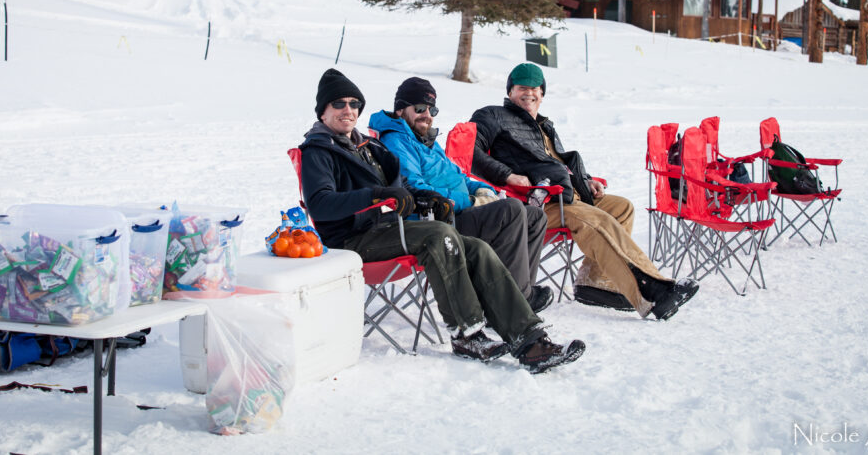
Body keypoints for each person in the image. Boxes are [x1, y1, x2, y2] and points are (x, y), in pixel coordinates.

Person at [299, 68, 584, 373]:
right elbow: (321, 205)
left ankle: (530, 340)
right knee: (440, 236)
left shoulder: (367, 147)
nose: (348, 110)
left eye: (354, 104)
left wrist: (424, 197)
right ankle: (467, 334)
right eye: (339, 104)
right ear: (323, 110)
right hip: (353, 239)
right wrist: (377, 196)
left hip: (389, 228)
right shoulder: (319, 150)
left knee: (476, 248)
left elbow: (404, 184)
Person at [470, 63, 699, 320]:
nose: (529, 93)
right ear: (510, 91)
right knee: (596, 220)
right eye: (522, 87)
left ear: (543, 94)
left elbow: (558, 162)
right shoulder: (491, 115)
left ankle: (595, 284)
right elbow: (471, 153)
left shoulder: (544, 125)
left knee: (621, 207)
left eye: (535, 88)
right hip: (537, 204)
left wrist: (586, 180)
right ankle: (653, 291)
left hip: (567, 196)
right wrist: (507, 175)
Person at [368, 77, 552, 313]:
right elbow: (414, 188)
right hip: (437, 220)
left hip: (461, 211)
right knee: (512, 212)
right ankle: (512, 304)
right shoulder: (395, 142)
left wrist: (485, 190)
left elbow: (459, 176)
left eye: (431, 109)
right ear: (401, 109)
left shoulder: (425, 140)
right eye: (420, 109)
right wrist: (472, 201)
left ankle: (518, 291)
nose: (427, 115)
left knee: (534, 216)